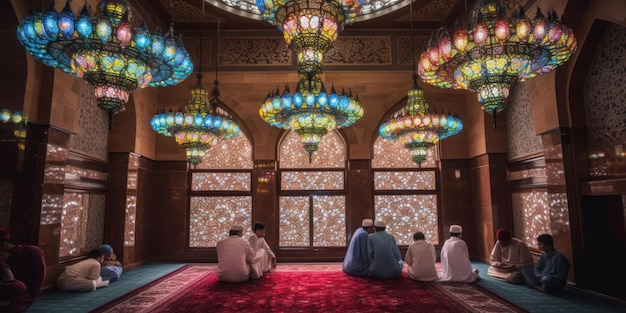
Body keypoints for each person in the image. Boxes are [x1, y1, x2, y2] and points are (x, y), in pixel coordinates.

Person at [0, 226, 46, 313]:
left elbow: (39, 277)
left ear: (3, 244)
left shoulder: (32, 252)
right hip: (5, 290)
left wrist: (4, 264)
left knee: (18, 286)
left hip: (20, 294)